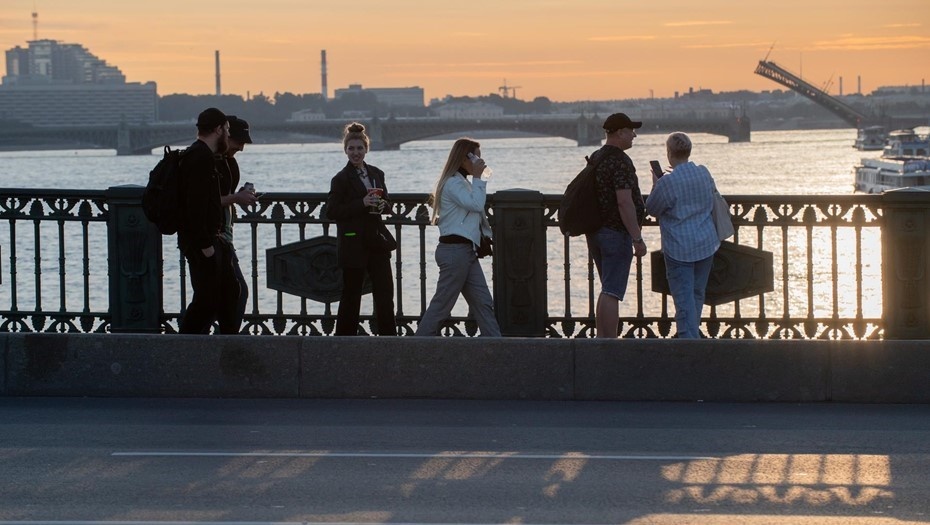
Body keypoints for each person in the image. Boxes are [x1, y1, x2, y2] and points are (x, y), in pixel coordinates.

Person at [415, 138, 501, 337]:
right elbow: (476, 205)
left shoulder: (462, 182)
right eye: (476, 157)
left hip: (465, 251)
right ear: (464, 159)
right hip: (455, 252)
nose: (480, 161)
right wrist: (479, 178)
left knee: (483, 302)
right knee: (442, 305)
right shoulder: (453, 183)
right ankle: (416, 345)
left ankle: (496, 346)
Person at [645, 132, 720, 339]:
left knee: (683, 299)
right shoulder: (703, 173)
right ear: (689, 151)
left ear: (669, 154)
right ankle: (693, 335)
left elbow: (652, 208)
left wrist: (656, 184)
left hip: (680, 248)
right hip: (706, 243)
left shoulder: (668, 182)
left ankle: (688, 344)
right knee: (697, 294)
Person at [326, 122, 397, 336]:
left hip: (376, 240)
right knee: (351, 294)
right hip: (353, 243)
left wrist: (384, 206)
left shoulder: (377, 173)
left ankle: (389, 337)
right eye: (351, 149)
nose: (356, 153)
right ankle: (345, 339)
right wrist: (362, 203)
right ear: (345, 150)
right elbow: (332, 211)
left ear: (366, 149)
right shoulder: (340, 179)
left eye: (359, 148)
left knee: (385, 293)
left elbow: (387, 202)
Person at [178, 107, 241, 334]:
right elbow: (194, 207)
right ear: (218, 129)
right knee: (207, 300)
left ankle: (227, 344)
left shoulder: (200, 155)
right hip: (202, 243)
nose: (227, 134)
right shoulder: (200, 158)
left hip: (212, 240)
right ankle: (181, 349)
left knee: (230, 291)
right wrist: (205, 246)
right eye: (226, 129)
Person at [586, 113, 648, 338]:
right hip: (615, 233)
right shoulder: (620, 161)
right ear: (620, 132)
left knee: (607, 289)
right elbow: (624, 201)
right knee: (613, 291)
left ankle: (601, 340)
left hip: (595, 232)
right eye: (631, 131)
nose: (634, 135)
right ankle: (610, 342)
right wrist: (637, 238)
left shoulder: (597, 156)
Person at [215, 115, 258, 333]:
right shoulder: (206, 162)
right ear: (224, 135)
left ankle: (226, 339)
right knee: (226, 293)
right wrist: (235, 198)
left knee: (234, 292)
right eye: (238, 142)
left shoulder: (230, 164)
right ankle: (224, 341)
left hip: (225, 238)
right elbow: (203, 202)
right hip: (210, 239)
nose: (241, 148)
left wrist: (241, 197)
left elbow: (226, 198)